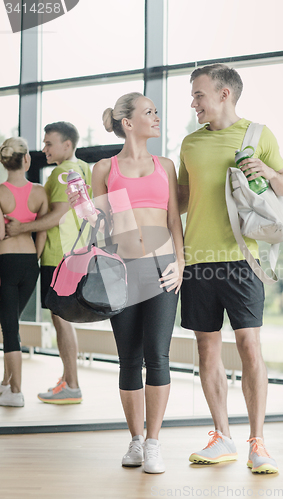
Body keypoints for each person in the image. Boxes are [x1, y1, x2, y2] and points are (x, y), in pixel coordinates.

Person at [178, 64, 283, 473]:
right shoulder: (190, 143)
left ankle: (258, 443)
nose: (194, 102)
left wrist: (268, 172)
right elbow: (179, 198)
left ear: (224, 94)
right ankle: (222, 436)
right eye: (193, 96)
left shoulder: (257, 135)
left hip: (242, 259)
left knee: (248, 344)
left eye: (199, 94)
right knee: (207, 348)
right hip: (196, 260)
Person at [67, 92, 184, 474]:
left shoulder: (165, 165)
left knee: (159, 356)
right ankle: (135, 440)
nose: (157, 116)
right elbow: (101, 226)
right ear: (128, 123)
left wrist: (180, 263)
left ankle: (153, 443)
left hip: (162, 268)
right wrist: (86, 208)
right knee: (129, 358)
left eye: (156, 110)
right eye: (149, 111)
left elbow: (173, 221)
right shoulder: (105, 167)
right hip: (122, 270)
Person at [5, 122, 92, 404]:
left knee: (61, 319)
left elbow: (58, 216)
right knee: (62, 319)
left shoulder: (62, 172)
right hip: (75, 253)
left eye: (49, 143)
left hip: (60, 256)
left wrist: (19, 230)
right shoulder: (82, 168)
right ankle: (69, 379)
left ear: (67, 145)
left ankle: (72, 385)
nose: (45, 149)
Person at [0, 137, 48, 407]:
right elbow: (42, 231)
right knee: (11, 323)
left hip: (6, 262)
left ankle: (16, 391)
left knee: (9, 328)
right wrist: (33, 259)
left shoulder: (0, 192)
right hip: (31, 264)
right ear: (26, 160)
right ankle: (6, 383)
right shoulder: (40, 192)